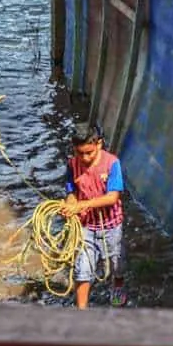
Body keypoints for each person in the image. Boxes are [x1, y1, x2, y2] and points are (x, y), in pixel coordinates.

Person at [62, 122, 127, 309]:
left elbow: (112, 197)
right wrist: (70, 203)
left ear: (99, 144)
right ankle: (82, 311)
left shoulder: (112, 163)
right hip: (86, 227)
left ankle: (117, 300)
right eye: (79, 153)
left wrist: (83, 204)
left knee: (117, 267)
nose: (84, 158)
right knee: (82, 269)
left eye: (89, 153)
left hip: (111, 226)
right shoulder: (72, 165)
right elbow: (71, 191)